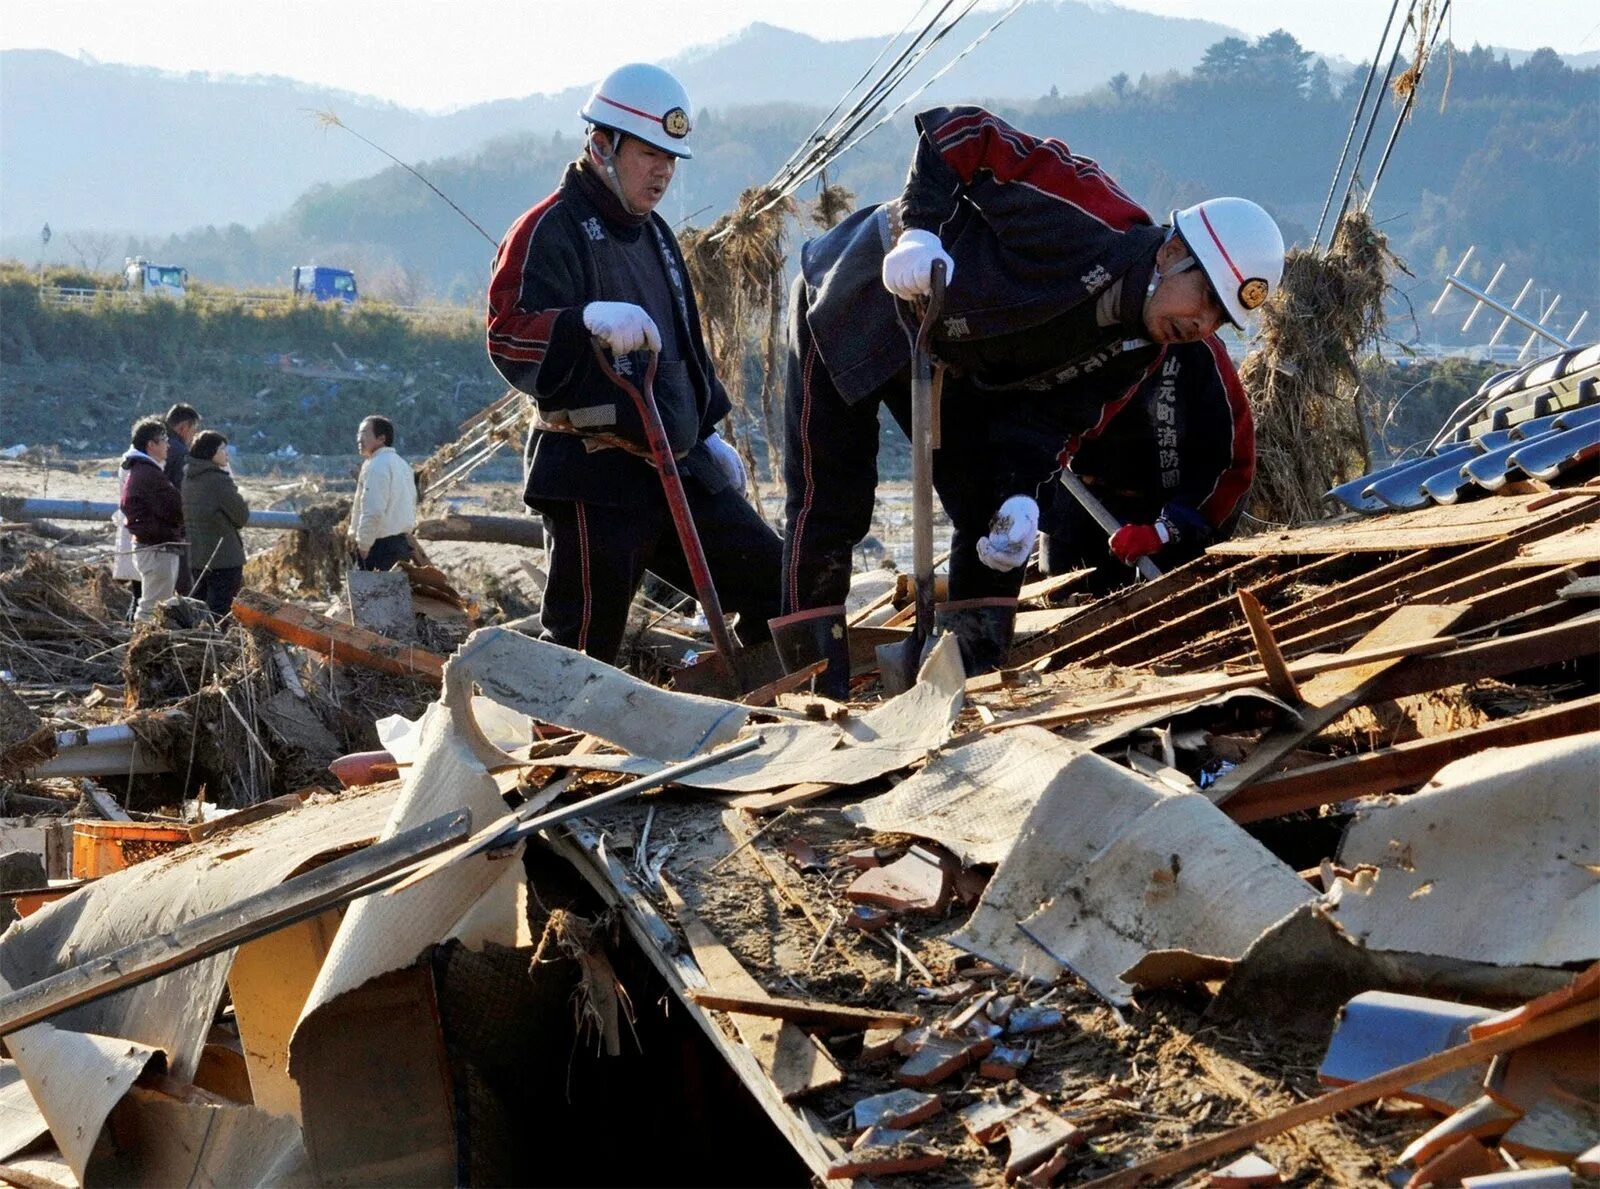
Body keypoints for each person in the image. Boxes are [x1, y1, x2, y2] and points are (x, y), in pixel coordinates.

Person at [773, 105, 1284, 691]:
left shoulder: (1143, 350)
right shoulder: (1090, 213)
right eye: (1206, 298)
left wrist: (1020, 495)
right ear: (1171, 255)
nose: (1203, 323)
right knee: (831, 502)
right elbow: (958, 133)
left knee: (991, 517)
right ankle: (815, 694)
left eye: (1222, 318)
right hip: (866, 287)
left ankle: (970, 684)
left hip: (956, 355)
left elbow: (1053, 424)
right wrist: (920, 229)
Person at [485, 62, 782, 666]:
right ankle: (559, 757)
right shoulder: (547, 228)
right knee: (584, 646)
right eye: (650, 154)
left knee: (775, 581)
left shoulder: (658, 237)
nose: (664, 171)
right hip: (594, 473)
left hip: (676, 464)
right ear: (601, 144)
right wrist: (581, 322)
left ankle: (753, 713)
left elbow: (686, 349)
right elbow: (508, 337)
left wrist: (707, 432)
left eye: (672, 159)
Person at [1031, 336, 1255, 593]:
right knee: (1061, 586)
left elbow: (1229, 463)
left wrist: (1164, 530)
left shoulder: (1196, 349)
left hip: (1170, 504)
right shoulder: (1079, 332)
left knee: (1169, 595)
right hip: (1083, 496)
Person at [119, 416, 185, 622]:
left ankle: (147, 647)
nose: (168, 445)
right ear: (151, 445)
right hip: (157, 549)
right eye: (164, 440)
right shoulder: (148, 473)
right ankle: (140, 648)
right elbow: (175, 508)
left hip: (155, 547)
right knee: (151, 609)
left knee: (156, 607)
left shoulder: (144, 470)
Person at [182, 430, 249, 620]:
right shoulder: (218, 480)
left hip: (197, 556)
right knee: (221, 610)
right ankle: (217, 647)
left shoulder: (188, 478)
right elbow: (241, 516)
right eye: (222, 449)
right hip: (224, 557)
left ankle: (200, 644)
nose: (226, 454)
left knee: (199, 609)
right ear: (211, 452)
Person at [350, 415, 417, 571]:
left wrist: (364, 545)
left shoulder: (377, 465)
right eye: (358, 433)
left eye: (364, 433)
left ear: (381, 438)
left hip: (379, 546)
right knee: (394, 594)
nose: (359, 439)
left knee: (372, 594)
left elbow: (373, 510)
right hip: (400, 545)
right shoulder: (402, 465)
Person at [164, 403, 201, 597]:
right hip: (175, 527)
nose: (193, 437)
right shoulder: (178, 451)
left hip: (156, 528)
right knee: (182, 583)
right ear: (184, 427)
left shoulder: (159, 444)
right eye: (193, 431)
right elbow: (182, 491)